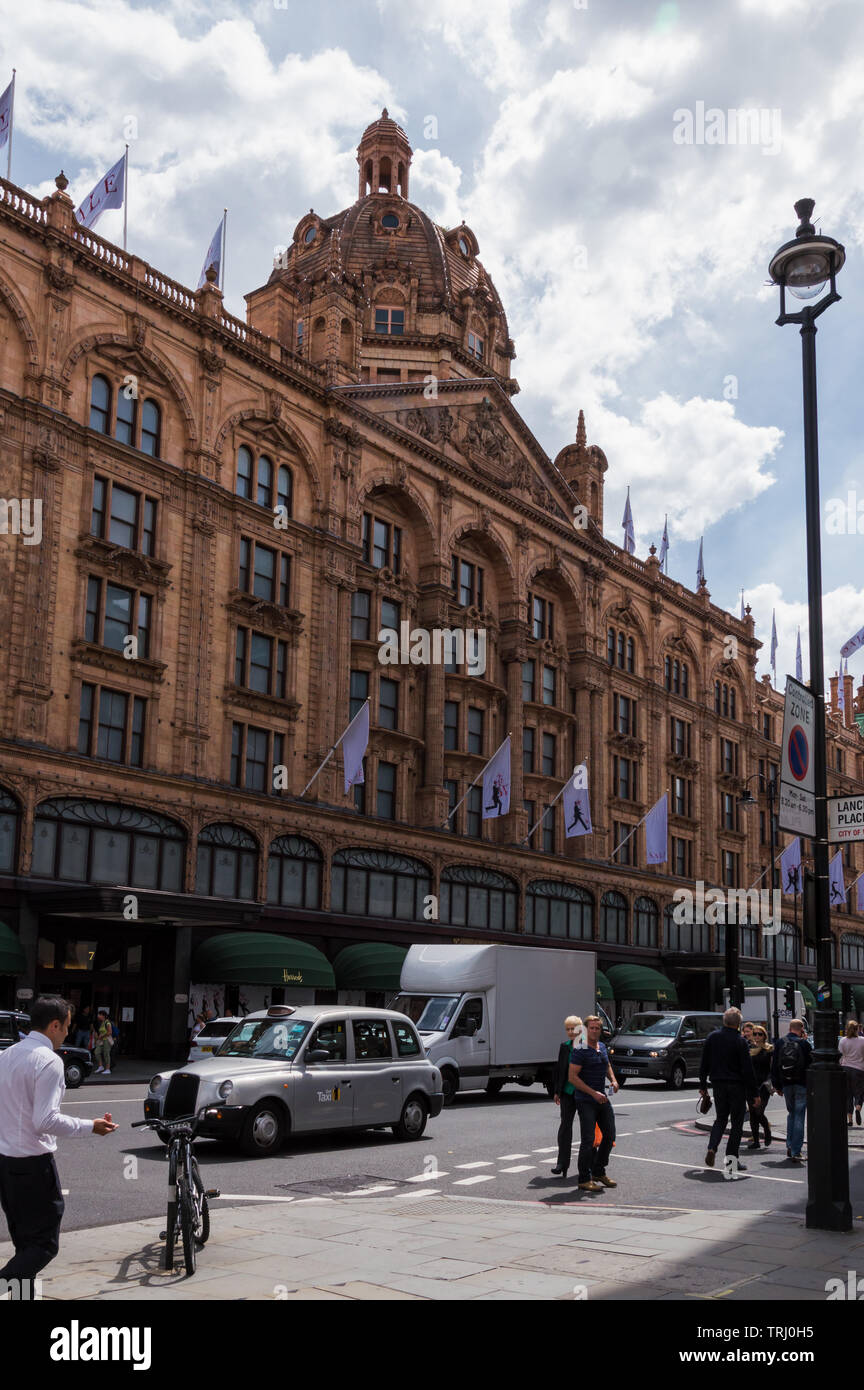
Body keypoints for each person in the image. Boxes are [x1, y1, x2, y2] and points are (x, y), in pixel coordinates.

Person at [0, 995, 116, 1295]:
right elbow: (46, 1121)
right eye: (66, 1026)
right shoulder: (49, 1061)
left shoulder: (8, 1055)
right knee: (43, 1245)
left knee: (25, 1243)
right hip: (32, 1165)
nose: (67, 1032)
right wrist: (91, 1126)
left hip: (6, 1162)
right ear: (54, 1025)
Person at [698, 1007, 761, 1174]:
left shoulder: (712, 1037)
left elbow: (704, 1063)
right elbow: (747, 1070)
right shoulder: (740, 1041)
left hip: (718, 1084)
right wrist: (754, 1093)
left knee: (720, 1119)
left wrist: (703, 1085)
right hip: (736, 1086)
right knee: (737, 1124)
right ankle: (731, 1162)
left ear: (724, 1021)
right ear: (738, 1024)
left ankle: (712, 1147)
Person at [568, 1014, 618, 1193]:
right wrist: (593, 1093)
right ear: (586, 1030)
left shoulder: (602, 1047)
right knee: (588, 1140)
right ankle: (584, 1179)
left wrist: (613, 1080)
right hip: (586, 1100)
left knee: (610, 1135)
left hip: (602, 1098)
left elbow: (607, 1066)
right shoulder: (580, 1050)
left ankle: (598, 1171)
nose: (595, 1031)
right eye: (592, 1028)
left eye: (597, 1028)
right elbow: (572, 1077)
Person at [770, 1018, 812, 1162]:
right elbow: (811, 1064)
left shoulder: (780, 1042)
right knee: (799, 1116)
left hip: (786, 1084)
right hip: (801, 1084)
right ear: (801, 1029)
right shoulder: (804, 1044)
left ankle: (789, 1145)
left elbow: (774, 1065)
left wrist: (777, 1085)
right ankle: (796, 1151)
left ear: (789, 1028)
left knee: (791, 1114)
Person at [551, 1015, 583, 1178]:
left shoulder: (586, 1046)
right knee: (565, 1127)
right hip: (567, 1093)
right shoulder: (564, 1047)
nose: (571, 1032)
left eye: (574, 1029)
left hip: (584, 1093)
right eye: (568, 1029)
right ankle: (561, 1163)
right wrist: (557, 1091)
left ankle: (587, 1166)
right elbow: (560, 1070)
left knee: (587, 1129)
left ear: (580, 1029)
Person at [745, 1026, 773, 1149]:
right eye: (755, 1034)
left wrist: (771, 1082)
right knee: (752, 1113)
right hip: (751, 1085)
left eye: (759, 1034)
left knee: (759, 1111)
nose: (757, 1036)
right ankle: (756, 1141)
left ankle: (766, 1129)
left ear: (764, 1036)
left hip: (764, 1085)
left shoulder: (770, 1049)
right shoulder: (749, 1049)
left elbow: (773, 1068)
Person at [838, 1019, 864, 1128]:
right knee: (859, 1092)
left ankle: (849, 1120)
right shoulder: (862, 1040)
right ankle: (858, 1108)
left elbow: (840, 1055)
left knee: (848, 1095)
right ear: (857, 1029)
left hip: (845, 1068)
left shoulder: (843, 1040)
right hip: (859, 1069)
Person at [92, 1009, 113, 1075]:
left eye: (99, 1014)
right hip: (101, 1041)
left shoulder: (107, 1022)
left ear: (102, 1015)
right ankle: (101, 1066)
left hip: (106, 1040)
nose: (98, 1016)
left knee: (106, 1054)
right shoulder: (102, 1022)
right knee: (96, 1052)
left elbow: (110, 1032)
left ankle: (107, 1069)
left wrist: (102, 1036)